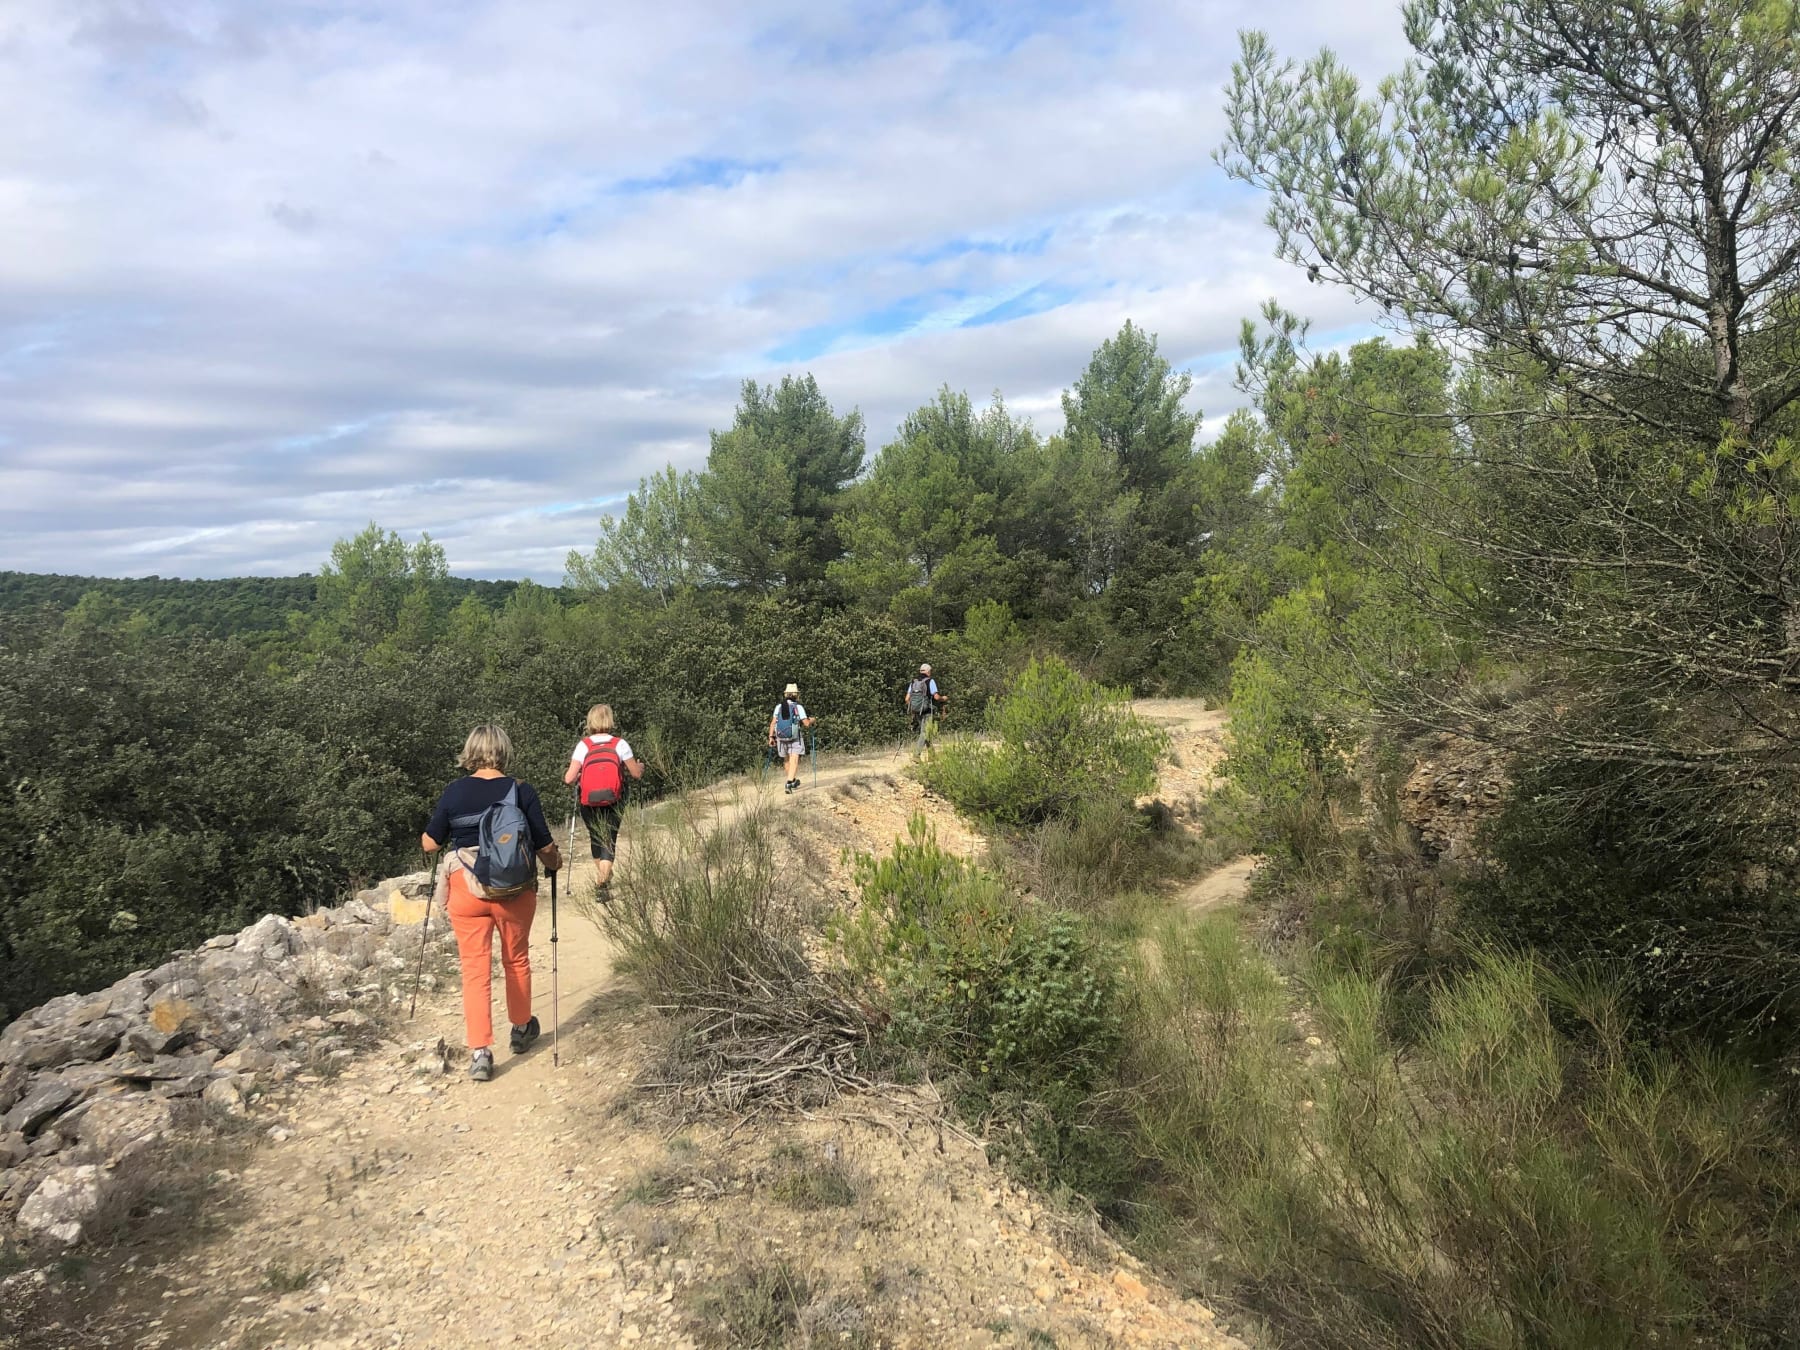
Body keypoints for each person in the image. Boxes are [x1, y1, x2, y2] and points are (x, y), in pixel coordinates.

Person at [422, 724, 561, 1082]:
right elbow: (544, 845)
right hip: (512, 887)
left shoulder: (454, 792)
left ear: (470, 753)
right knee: (516, 959)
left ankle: (481, 1052)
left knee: (474, 969)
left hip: (466, 889)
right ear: (504, 751)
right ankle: (520, 1028)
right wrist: (555, 864)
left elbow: (430, 844)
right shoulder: (520, 791)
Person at [562, 703, 644, 903]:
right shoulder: (619, 744)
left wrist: (583, 773)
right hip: (614, 799)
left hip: (588, 801)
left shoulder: (584, 745)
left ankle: (603, 876)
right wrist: (641, 766)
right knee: (609, 838)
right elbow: (635, 774)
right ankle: (602, 880)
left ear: (590, 721)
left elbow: (568, 778)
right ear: (610, 720)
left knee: (596, 839)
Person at [768, 682, 814, 794]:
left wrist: (771, 737)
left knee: (786, 759)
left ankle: (792, 780)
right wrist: (813, 720)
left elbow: (773, 723)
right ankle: (788, 783)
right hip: (794, 737)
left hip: (780, 737)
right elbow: (806, 723)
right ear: (796, 695)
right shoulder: (798, 707)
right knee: (794, 759)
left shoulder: (778, 707)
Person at [904, 662, 946, 753]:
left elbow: (907, 699)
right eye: (930, 671)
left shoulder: (914, 682)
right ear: (928, 671)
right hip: (927, 710)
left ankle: (931, 755)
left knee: (926, 731)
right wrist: (943, 698)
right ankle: (916, 755)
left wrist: (914, 708)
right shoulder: (930, 681)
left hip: (917, 711)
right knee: (924, 732)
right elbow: (936, 697)